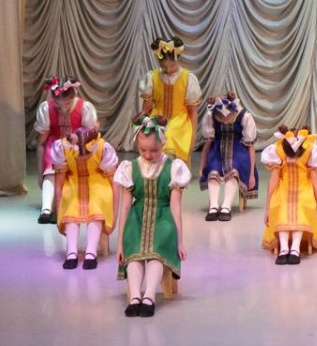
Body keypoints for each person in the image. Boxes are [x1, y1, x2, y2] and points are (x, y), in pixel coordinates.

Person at [115, 116, 190, 317]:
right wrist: (120, 242)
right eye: (143, 150)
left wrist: (179, 241)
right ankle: (134, 297)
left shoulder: (173, 168)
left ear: (163, 144)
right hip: (137, 219)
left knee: (156, 251)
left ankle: (149, 296)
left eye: (154, 150)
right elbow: (125, 207)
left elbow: (175, 207)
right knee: (135, 252)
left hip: (163, 219)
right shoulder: (130, 168)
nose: (148, 155)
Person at [51, 126, 118, 270]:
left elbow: (113, 180)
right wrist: (58, 204)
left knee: (96, 202)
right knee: (71, 203)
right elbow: (60, 180)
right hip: (73, 182)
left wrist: (114, 210)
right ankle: (71, 252)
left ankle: (91, 252)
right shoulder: (63, 147)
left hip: (97, 182)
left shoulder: (102, 147)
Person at [34, 76, 98, 224]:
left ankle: (67, 206)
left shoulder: (84, 108)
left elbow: (91, 136)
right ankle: (46, 209)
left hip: (77, 145)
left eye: (67, 103)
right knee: (50, 171)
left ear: (73, 96)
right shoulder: (47, 108)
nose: (62, 108)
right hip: (55, 145)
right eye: (58, 104)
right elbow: (41, 143)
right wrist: (40, 171)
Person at [261, 127, 317, 264]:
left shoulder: (311, 150)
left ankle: (295, 248)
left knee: (301, 205)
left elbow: (315, 181)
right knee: (282, 204)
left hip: (304, 188)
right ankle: (284, 248)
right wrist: (267, 207)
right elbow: (274, 179)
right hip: (283, 188)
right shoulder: (278, 150)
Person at [138, 37, 202, 166]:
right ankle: (156, 171)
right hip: (157, 118)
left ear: (178, 60)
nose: (167, 70)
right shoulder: (152, 77)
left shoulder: (188, 78)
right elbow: (147, 108)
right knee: (158, 134)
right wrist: (141, 126)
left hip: (179, 121)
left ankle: (172, 172)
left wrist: (193, 137)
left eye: (172, 65)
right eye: (163, 66)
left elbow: (193, 112)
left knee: (170, 134)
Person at [198, 92, 258, 221]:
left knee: (233, 168)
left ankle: (226, 205)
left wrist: (252, 174)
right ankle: (214, 206)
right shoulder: (211, 115)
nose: (224, 119)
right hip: (217, 150)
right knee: (213, 168)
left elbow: (251, 146)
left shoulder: (244, 116)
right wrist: (202, 165)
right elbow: (207, 144)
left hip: (238, 150)